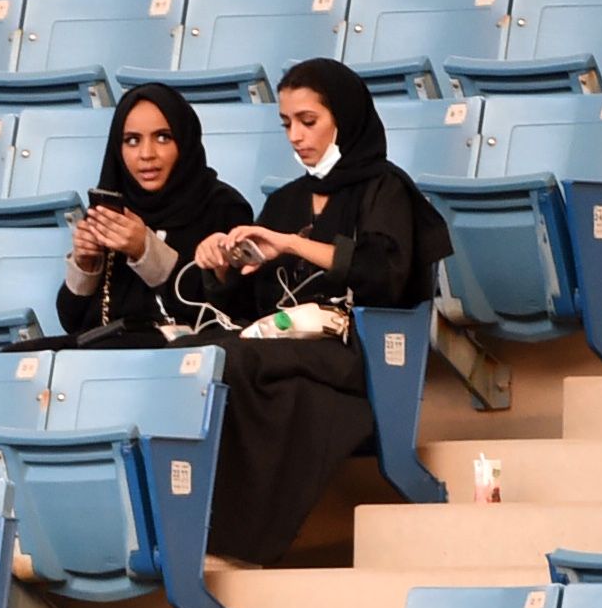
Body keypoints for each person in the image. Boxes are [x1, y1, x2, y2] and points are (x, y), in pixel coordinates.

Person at [183, 59, 453, 565]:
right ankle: (193, 531)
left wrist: (291, 245)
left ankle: (236, 545)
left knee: (235, 360)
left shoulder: (385, 188)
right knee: (197, 354)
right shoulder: (286, 200)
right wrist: (220, 265)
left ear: (343, 118)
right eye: (287, 123)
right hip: (280, 344)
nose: (295, 136)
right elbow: (247, 302)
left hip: (353, 349)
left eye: (308, 121)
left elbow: (385, 273)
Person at [54, 85, 252, 345]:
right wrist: (86, 267)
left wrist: (145, 250)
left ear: (184, 139)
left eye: (163, 137)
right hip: (107, 352)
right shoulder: (114, 207)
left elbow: (233, 312)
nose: (146, 154)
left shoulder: (223, 207)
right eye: (132, 140)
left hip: (185, 352)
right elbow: (72, 322)